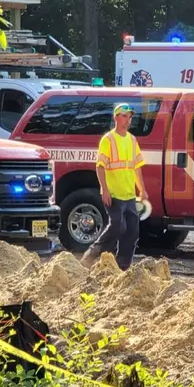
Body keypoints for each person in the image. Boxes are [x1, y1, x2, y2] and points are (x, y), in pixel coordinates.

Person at [80, 103, 148, 271]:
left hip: (129, 194)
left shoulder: (132, 140)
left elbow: (136, 167)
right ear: (116, 117)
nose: (128, 120)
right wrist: (104, 189)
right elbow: (100, 166)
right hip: (114, 194)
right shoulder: (108, 140)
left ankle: (122, 266)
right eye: (124, 116)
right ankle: (92, 254)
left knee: (132, 231)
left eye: (129, 116)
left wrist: (142, 189)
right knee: (118, 225)